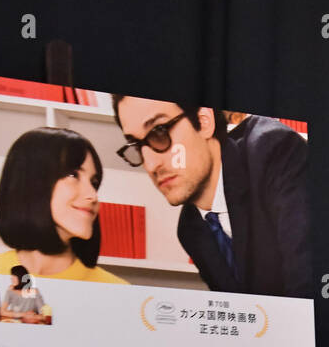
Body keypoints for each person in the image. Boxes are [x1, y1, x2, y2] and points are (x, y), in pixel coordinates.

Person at [111, 97, 312, 298]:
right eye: (138, 145)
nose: (151, 165)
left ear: (204, 121)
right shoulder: (189, 228)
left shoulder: (274, 151)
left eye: (159, 132)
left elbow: (309, 291)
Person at [0, 127, 126, 283]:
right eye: (73, 175)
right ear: (31, 183)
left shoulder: (114, 289)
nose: (93, 195)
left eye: (94, 182)